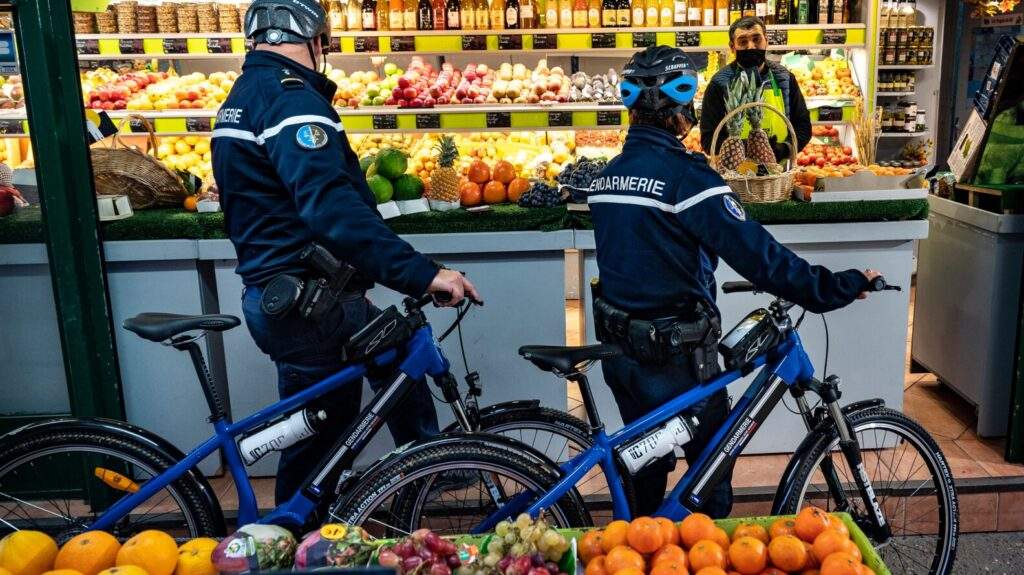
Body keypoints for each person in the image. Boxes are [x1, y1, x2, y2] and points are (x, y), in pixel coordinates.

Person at [589, 45, 878, 518]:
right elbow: (763, 260)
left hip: (621, 355)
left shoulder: (608, 178)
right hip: (676, 361)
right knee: (709, 487)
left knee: (646, 474)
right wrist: (835, 286)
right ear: (682, 109)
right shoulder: (687, 180)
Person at [211, 0, 479, 505]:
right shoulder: (293, 102)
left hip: (293, 293)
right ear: (317, 40)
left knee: (398, 350)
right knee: (319, 451)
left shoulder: (246, 93)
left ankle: (425, 462)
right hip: (309, 303)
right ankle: (288, 541)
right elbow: (335, 212)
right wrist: (423, 275)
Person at [699, 16, 811, 161]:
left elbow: (803, 127)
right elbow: (708, 140)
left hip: (778, 175)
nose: (751, 46)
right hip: (735, 176)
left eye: (756, 39)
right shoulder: (719, 83)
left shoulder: (785, 78)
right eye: (743, 41)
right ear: (732, 47)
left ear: (767, 41)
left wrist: (783, 149)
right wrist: (748, 147)